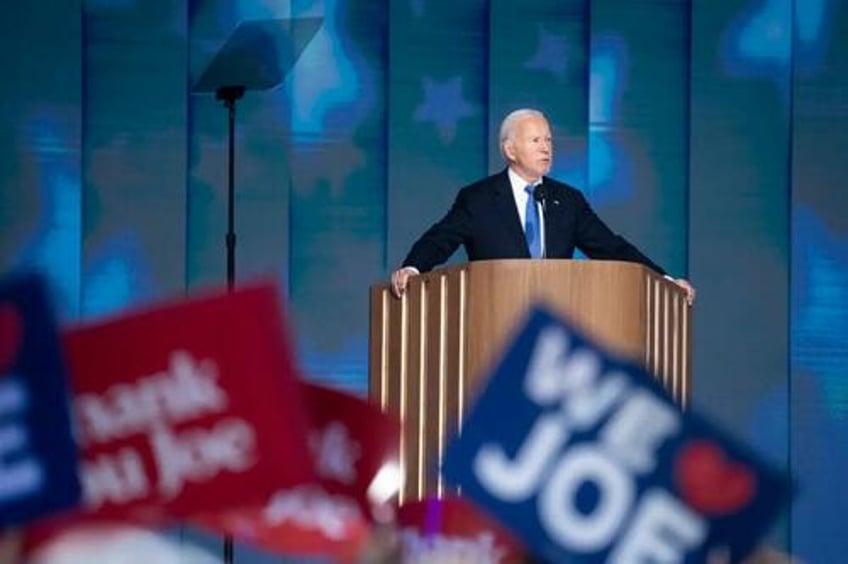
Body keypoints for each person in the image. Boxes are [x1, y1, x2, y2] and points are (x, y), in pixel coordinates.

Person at [390, 108, 696, 304]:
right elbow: (441, 238)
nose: (546, 147)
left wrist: (665, 280)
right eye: (535, 140)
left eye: (548, 140)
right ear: (510, 149)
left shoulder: (568, 201)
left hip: (554, 324)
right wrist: (413, 267)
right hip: (494, 317)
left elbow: (611, 247)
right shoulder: (479, 198)